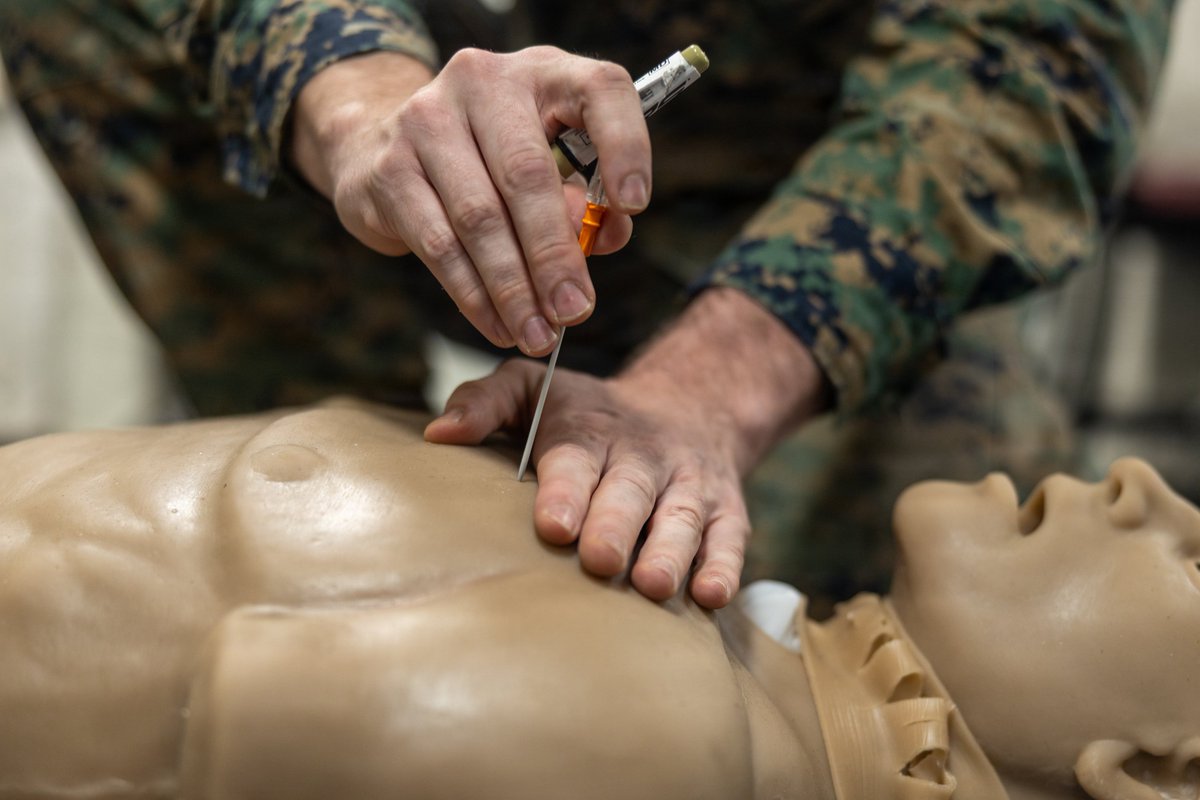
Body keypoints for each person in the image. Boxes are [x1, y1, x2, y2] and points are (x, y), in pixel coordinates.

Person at [0, 0, 1175, 609]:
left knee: (889, 628)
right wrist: (355, 98)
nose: (1150, 497)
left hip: (806, 240)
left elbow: (1021, 81)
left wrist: (709, 394)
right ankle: (358, 472)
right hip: (445, 186)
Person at [0, 399, 1196, 799]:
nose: (1148, 481)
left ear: (1144, 771)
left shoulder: (676, 730)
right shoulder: (707, 656)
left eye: (1198, 562)